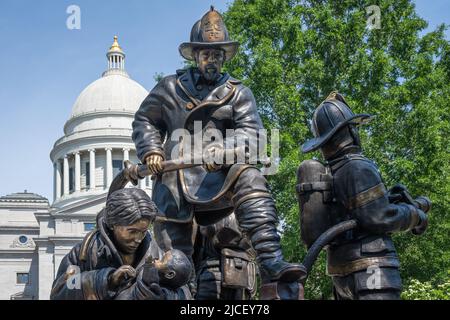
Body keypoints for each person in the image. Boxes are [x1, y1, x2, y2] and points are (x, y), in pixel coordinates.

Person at [132, 6, 305, 295]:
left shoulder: (239, 93)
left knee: (251, 176)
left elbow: (254, 137)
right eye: (206, 54)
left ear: (224, 57)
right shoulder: (169, 87)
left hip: (220, 182)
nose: (212, 60)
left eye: (217, 54)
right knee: (174, 268)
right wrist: (151, 150)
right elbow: (145, 120)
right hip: (175, 184)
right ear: (196, 56)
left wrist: (224, 150)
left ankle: (271, 260)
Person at [298, 91, 429, 300]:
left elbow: (358, 211)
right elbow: (378, 217)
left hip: (342, 272)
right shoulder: (357, 166)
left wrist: (389, 198)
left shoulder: (333, 171)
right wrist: (415, 215)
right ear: (349, 130)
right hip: (373, 269)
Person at [50, 188, 191, 300]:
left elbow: (183, 292)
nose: (138, 238)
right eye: (132, 231)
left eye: (143, 232)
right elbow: (60, 292)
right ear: (113, 225)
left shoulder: (155, 253)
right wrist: (107, 281)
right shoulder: (84, 253)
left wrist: (156, 294)